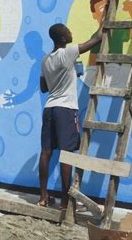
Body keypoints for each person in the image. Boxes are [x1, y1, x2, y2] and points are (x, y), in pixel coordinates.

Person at [38, 23, 103, 209]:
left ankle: (43, 197)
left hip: (49, 107)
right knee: (66, 154)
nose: (71, 31)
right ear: (63, 39)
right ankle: (66, 202)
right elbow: (97, 38)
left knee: (46, 152)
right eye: (68, 31)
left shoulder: (45, 60)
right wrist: (105, 16)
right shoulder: (68, 53)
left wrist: (59, 77)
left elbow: (44, 88)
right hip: (65, 109)